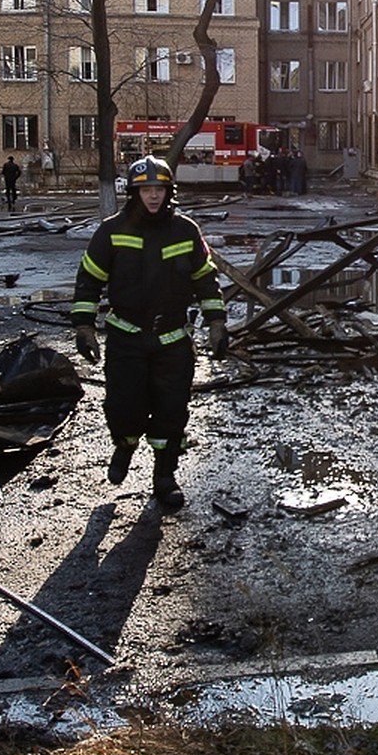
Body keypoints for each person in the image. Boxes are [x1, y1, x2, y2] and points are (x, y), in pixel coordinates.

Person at [71, 155, 229, 509]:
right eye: (146, 190)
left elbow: (205, 278)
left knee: (172, 409)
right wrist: (84, 326)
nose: (153, 197)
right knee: (124, 407)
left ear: (169, 191)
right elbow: (89, 281)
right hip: (126, 338)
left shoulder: (185, 231)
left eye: (159, 189)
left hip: (172, 339)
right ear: (134, 193)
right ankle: (124, 446)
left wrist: (216, 322)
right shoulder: (111, 231)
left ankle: (164, 475)